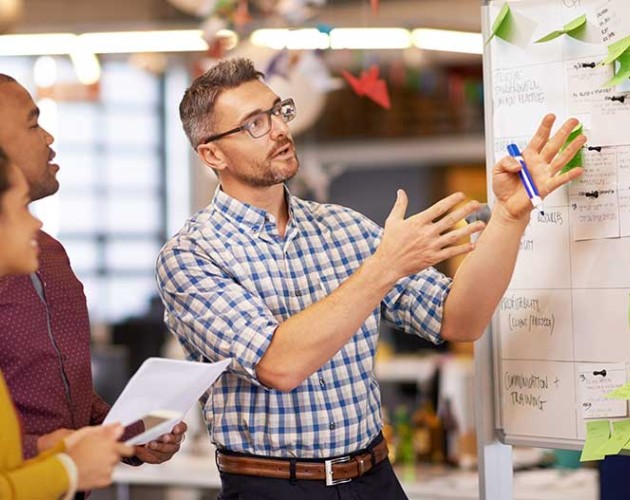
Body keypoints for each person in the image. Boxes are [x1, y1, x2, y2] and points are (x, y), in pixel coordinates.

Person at [156, 57, 585, 499]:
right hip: (272, 488)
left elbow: (460, 319)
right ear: (212, 153)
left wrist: (511, 216)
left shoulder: (344, 227)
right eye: (255, 124)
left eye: (279, 111)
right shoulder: (191, 255)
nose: (281, 130)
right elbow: (279, 365)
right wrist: (383, 267)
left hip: (374, 479)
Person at [0, 74, 187, 469]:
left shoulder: (51, 255)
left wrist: (132, 434)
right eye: (33, 124)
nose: (49, 137)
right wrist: (51, 448)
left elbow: (72, 399)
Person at [0, 149, 134, 498]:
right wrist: (67, 466)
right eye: (21, 208)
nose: (36, 223)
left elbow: (60, 381)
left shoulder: (53, 256)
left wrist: (111, 434)